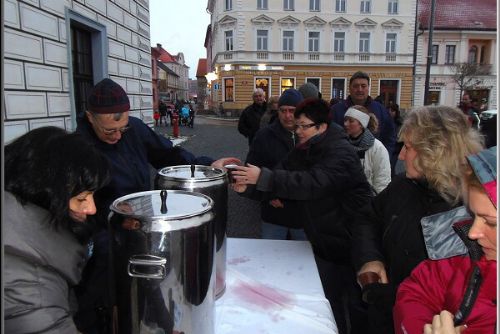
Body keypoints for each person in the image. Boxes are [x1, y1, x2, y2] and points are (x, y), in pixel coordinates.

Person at [75, 78, 239, 333]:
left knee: (151, 286)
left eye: (123, 128)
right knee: (107, 296)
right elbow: (74, 205)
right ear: (90, 117)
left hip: (143, 227)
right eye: (109, 131)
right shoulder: (78, 148)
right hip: (105, 237)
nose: (118, 136)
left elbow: (170, 155)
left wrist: (206, 166)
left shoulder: (136, 130)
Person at [232, 98, 373, 334]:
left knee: (358, 306)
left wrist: (264, 178)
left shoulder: (341, 151)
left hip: (353, 243)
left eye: (304, 126)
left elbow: (313, 183)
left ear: (322, 127)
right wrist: (248, 186)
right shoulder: (304, 149)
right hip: (325, 242)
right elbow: (281, 174)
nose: (298, 131)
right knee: (328, 301)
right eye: (296, 126)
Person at [351, 105, 484, 333]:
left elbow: (460, 296)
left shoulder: (472, 210)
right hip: (383, 318)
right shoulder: (404, 185)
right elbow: (367, 218)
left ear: (435, 152)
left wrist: (392, 295)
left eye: (409, 148)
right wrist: (369, 259)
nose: (401, 155)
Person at [4, 126, 110, 333]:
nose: (91, 208)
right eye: (81, 199)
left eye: (92, 196)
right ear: (45, 193)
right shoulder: (32, 288)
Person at [394, 146, 497, 334]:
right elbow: (416, 290)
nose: (473, 233)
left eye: (491, 223)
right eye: (474, 216)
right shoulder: (467, 254)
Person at [243, 88, 305, 240]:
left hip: (304, 214)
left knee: (305, 260)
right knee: (271, 259)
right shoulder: (264, 136)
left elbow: (317, 174)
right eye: (283, 110)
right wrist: (267, 195)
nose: (287, 116)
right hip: (274, 213)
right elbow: (250, 171)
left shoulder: (310, 135)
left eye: (292, 110)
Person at [330, 71, 396, 157]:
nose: (360, 89)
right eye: (356, 86)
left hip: (374, 162)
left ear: (368, 87)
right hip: (343, 163)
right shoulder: (336, 111)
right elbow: (329, 138)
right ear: (350, 88)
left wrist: (386, 157)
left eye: (363, 86)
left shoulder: (381, 111)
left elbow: (390, 137)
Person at [344, 105, 391, 194]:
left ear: (362, 124)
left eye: (351, 121)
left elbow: (382, 180)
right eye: (345, 120)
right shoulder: (342, 144)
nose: (346, 124)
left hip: (369, 202)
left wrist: (377, 204)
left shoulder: (377, 148)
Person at [388, 103, 404, 174]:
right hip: (389, 146)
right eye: (389, 110)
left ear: (396, 112)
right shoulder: (387, 121)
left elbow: (401, 136)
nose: (390, 112)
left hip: (396, 148)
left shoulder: (399, 122)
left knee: (392, 166)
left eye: (392, 111)